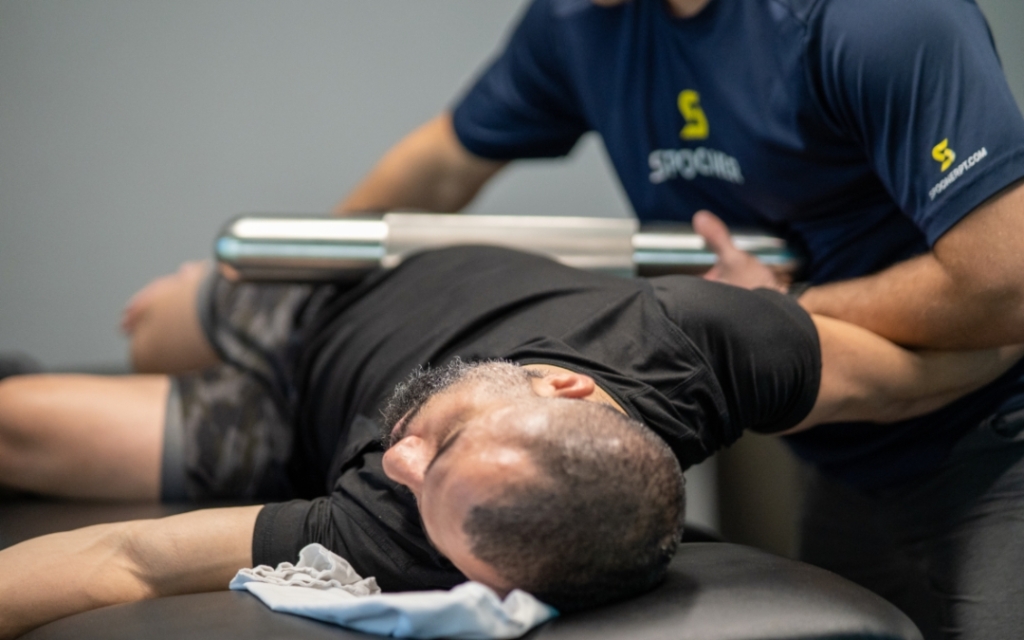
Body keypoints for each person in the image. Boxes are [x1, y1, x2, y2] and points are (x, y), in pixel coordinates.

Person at [120, 0, 1024, 636]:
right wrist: (280, 287)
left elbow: (1007, 282)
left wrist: (788, 309)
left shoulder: (875, 18)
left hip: (992, 431)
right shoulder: (585, 21)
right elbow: (437, 168)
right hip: (841, 445)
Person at [1, 245, 1019, 638]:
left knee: (19, 424)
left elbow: (124, 558)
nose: (397, 464)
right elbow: (916, 375)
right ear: (565, 386)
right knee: (150, 322)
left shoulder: (393, 525)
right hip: (320, 299)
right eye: (442, 444)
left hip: (276, 421)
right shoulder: (705, 340)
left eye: (424, 491)